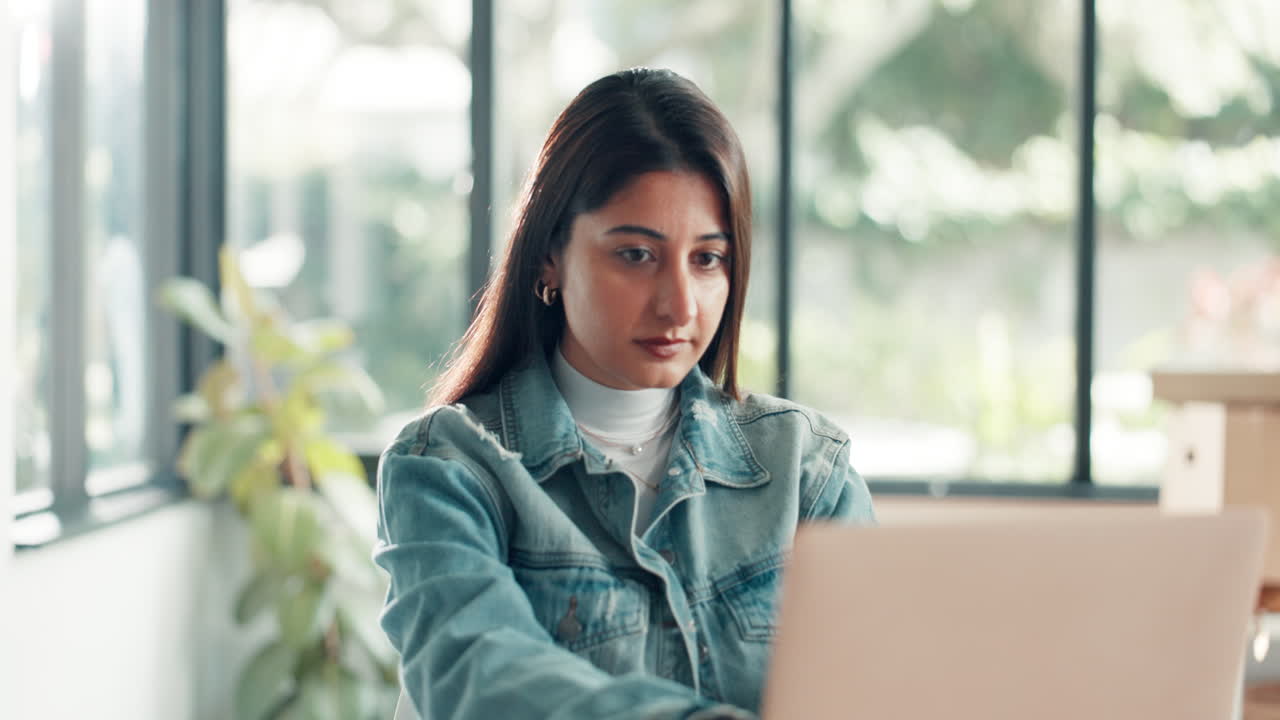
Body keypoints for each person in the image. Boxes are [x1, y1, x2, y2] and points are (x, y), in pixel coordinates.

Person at [374, 67, 875, 720]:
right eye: (636, 255)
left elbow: (874, 683)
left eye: (707, 259)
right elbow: (482, 680)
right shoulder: (447, 468)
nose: (679, 305)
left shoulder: (805, 467)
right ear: (550, 255)